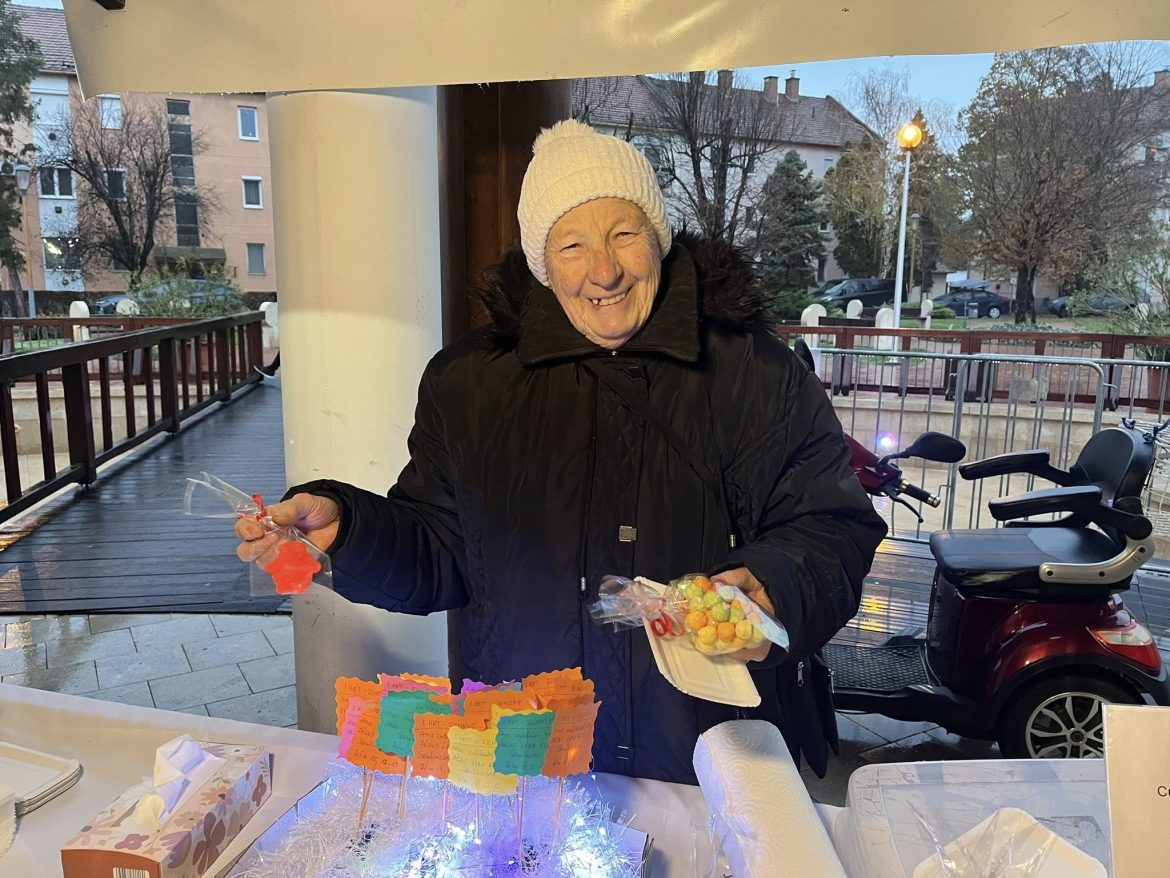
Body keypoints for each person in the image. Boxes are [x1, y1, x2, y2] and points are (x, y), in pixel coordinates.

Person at [237, 119, 887, 784]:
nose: (604, 271)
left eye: (624, 234)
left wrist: (776, 587)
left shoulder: (757, 374)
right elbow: (443, 548)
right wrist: (349, 532)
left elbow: (832, 527)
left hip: (714, 762)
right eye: (573, 244)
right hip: (535, 765)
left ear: (657, 238)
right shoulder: (470, 386)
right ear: (544, 263)